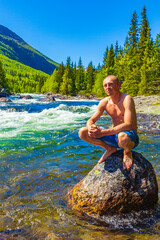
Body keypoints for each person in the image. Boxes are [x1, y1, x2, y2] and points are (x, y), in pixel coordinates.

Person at [78, 75, 139, 170]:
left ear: (119, 85)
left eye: (110, 84)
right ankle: (109, 148)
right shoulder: (104, 102)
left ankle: (127, 152)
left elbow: (129, 125)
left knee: (122, 136)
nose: (107, 88)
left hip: (129, 137)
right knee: (83, 132)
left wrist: (102, 132)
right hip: (114, 136)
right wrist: (90, 127)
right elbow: (91, 120)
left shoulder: (127, 99)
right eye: (105, 85)